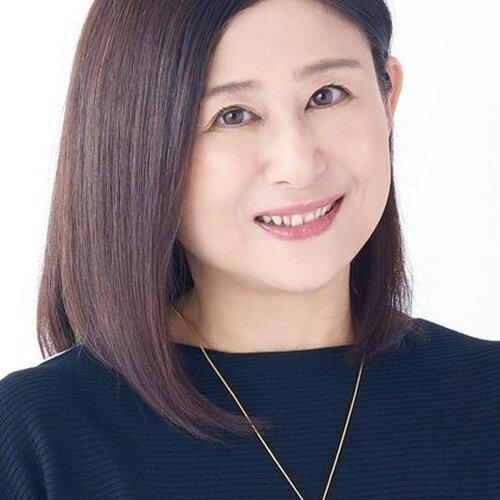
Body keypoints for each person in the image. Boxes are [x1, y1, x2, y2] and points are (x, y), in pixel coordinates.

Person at [1, 0, 498, 498]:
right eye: (233, 115)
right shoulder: (40, 437)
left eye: (326, 95)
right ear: (136, 145)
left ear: (388, 98)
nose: (297, 165)